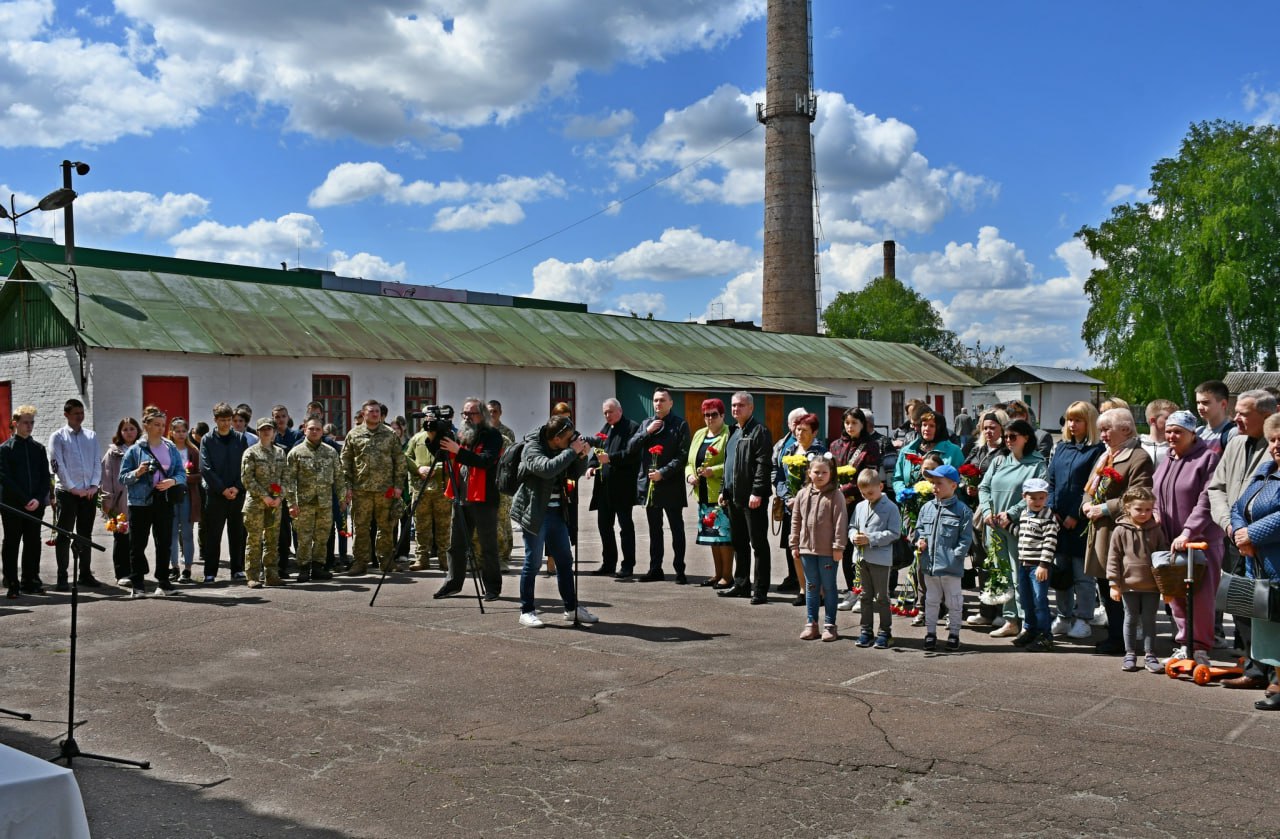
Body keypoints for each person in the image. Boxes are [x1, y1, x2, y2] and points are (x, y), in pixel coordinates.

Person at [1207, 390, 1278, 690]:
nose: (1236, 418)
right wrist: (1231, 527)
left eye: (1244, 413)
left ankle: (1273, 674)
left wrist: (1252, 533)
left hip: (1268, 546)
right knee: (1242, 605)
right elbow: (1217, 489)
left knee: (1271, 609)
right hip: (1234, 538)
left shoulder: (1272, 449)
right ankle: (1255, 669)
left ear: (1266, 415)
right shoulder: (1235, 442)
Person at [510, 415, 597, 627]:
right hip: (535, 513)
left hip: (558, 512)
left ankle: (571, 608)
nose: (570, 441)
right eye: (567, 438)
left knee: (565, 562)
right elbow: (547, 469)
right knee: (533, 563)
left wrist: (582, 457)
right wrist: (571, 452)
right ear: (556, 439)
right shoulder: (532, 448)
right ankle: (526, 610)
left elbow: (573, 474)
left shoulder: (563, 448)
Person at [1082, 407, 1155, 655]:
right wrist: (1086, 504)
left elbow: (1138, 496)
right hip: (1100, 529)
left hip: (1120, 533)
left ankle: (1123, 640)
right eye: (1101, 430)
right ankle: (1115, 635)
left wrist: (1103, 508)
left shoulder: (1138, 458)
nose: (1102, 435)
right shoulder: (1106, 456)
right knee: (1105, 584)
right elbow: (1091, 486)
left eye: (1106, 429)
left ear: (1125, 429)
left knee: (1118, 585)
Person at [1153, 410, 1223, 668]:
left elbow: (1206, 500)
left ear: (1192, 433)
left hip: (1200, 542)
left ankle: (1202, 648)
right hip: (1171, 540)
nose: (1171, 436)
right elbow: (1156, 495)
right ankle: (1185, 645)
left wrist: (1188, 532)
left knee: (1201, 597)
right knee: (1175, 594)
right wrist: (1155, 516)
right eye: (1169, 430)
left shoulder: (1208, 459)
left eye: (1178, 431)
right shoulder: (1167, 459)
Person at [976, 419, 1048, 640]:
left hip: (1019, 529)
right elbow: (984, 487)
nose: (1008, 441)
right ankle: (1010, 620)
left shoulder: (1037, 464)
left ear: (1026, 438)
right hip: (994, 526)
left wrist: (1011, 514)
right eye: (1006, 437)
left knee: (1020, 575)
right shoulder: (999, 461)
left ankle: (1028, 621)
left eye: (1013, 436)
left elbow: (1038, 493)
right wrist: (988, 511)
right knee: (1002, 572)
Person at [1229, 412, 1280, 710]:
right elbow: (1239, 505)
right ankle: (1275, 680)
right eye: (1272, 439)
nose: (1275, 445)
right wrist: (1240, 534)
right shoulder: (1265, 469)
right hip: (1259, 565)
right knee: (1268, 625)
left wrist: (1252, 535)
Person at [430, 397, 504, 600]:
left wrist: (458, 451)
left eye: (471, 413)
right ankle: (453, 584)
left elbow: (485, 461)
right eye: (464, 413)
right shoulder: (462, 435)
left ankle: (492, 588)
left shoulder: (493, 436)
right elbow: (441, 454)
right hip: (461, 496)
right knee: (456, 545)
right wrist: (432, 436)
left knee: (487, 545)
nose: (466, 417)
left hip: (484, 498)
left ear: (483, 415)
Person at [1046, 401, 1104, 640]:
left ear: (1088, 423)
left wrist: (1074, 514)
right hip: (1057, 521)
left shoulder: (1096, 451)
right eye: (1070, 419)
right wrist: (1052, 508)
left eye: (1078, 420)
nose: (1072, 424)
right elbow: (1051, 481)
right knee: (1061, 572)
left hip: (1081, 522)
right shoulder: (1061, 448)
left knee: (1082, 574)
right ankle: (1063, 615)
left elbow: (1092, 486)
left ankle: (1083, 618)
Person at [119, 406, 186, 597]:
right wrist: (137, 473)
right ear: (146, 426)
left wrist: (172, 481)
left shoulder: (170, 447)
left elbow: (181, 473)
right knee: (137, 544)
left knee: (164, 542)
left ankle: (163, 582)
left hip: (164, 500)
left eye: (163, 425)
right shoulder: (135, 450)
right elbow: (122, 478)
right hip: (140, 502)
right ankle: (138, 584)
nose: (161, 428)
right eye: (156, 425)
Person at [717, 392, 774, 605]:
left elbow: (763, 464)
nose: (735, 409)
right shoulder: (733, 432)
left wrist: (757, 492)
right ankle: (741, 584)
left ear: (751, 408)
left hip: (752, 499)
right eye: (733, 405)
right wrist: (724, 490)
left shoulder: (759, 432)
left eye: (740, 405)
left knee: (758, 544)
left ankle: (760, 589)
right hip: (734, 498)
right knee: (739, 543)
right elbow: (728, 465)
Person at [1106, 486, 1168, 673]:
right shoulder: (1119, 530)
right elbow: (1113, 557)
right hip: (1128, 585)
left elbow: (1163, 559)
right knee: (1130, 619)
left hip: (1151, 586)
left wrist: (1166, 588)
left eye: (1148, 509)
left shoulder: (1156, 530)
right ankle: (1130, 654)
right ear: (1127, 508)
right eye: (1138, 509)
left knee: (1150, 620)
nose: (1143, 513)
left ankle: (1150, 655)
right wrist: (1113, 583)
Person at [631, 388, 691, 583]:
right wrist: (647, 433)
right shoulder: (646, 424)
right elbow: (632, 447)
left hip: (671, 484)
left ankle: (679, 569)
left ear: (671, 403)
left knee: (676, 529)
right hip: (651, 487)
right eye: (656, 401)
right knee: (654, 529)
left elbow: (682, 456)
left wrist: (662, 473)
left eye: (662, 400)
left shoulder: (680, 425)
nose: (658, 404)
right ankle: (655, 568)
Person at [913, 465, 974, 651]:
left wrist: (955, 556)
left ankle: (954, 633)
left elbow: (965, 540)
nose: (934, 487)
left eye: (939, 483)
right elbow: (919, 529)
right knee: (931, 600)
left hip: (950, 567)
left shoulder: (963, 511)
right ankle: (930, 633)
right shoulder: (926, 508)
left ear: (954, 485)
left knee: (954, 601)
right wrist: (920, 540)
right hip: (929, 565)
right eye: (933, 483)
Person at [342, 400, 406, 577]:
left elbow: (399, 462)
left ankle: (386, 562)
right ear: (363, 414)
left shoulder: (389, 434)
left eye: (377, 411)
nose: (375, 414)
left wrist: (398, 486)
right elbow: (345, 462)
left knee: (386, 527)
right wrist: (347, 487)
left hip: (385, 490)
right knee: (361, 527)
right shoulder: (353, 434)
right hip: (361, 490)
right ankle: (360, 562)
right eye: (371, 411)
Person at [789, 456, 848, 642]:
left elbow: (840, 522)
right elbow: (796, 520)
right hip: (807, 549)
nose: (820, 475)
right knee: (811, 586)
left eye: (824, 472)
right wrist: (794, 543)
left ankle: (830, 625)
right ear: (809, 472)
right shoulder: (802, 494)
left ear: (831, 474)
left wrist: (838, 546)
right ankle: (811, 624)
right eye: (816, 472)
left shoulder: (836, 495)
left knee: (829, 587)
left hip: (828, 551)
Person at [962, 409, 1010, 628]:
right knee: (981, 562)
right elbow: (964, 470)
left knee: (998, 561)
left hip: (995, 512)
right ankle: (985, 610)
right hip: (976, 512)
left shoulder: (1005, 452)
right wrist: (968, 485)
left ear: (1002, 428)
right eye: (985, 427)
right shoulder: (977, 449)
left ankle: (1002, 610)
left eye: (993, 427)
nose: (988, 431)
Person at [48, 398, 102, 589]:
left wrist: (94, 485)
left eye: (81, 413)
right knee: (63, 534)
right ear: (66, 415)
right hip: (67, 493)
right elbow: (57, 465)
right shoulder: (58, 436)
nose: (79, 417)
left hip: (89, 493)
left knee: (84, 534)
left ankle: (85, 574)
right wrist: (73, 488)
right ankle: (62, 576)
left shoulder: (91, 436)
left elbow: (97, 461)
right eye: (75, 413)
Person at [829, 408, 881, 608]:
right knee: (845, 547)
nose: (850, 427)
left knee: (861, 547)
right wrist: (836, 492)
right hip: (839, 504)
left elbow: (870, 475)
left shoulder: (870, 446)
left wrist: (847, 492)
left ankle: (865, 591)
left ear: (863, 424)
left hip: (861, 503)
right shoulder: (835, 445)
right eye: (847, 423)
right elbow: (830, 473)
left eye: (854, 423)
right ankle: (852, 590)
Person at [0, 406, 51, 597]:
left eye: (32, 422)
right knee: (12, 542)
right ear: (15, 424)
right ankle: (12, 582)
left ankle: (31, 580)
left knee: (33, 542)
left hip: (35, 506)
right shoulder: (5, 449)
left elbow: (45, 477)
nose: (29, 426)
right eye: (25, 422)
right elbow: (5, 477)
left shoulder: (38, 448)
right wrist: (25, 499)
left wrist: (37, 499)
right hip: (13, 505)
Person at [286, 417, 345, 583]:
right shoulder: (296, 452)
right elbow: (289, 481)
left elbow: (339, 477)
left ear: (322, 431)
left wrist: (342, 498)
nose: (314, 432)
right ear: (305, 429)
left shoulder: (330, 452)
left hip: (325, 503)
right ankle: (304, 568)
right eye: (311, 429)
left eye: (317, 429)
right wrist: (291, 503)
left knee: (322, 536)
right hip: (304, 503)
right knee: (304, 537)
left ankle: (318, 567)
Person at [776, 413, 827, 602]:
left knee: (815, 550)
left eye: (804, 430)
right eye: (797, 429)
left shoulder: (821, 452)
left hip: (814, 509)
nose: (799, 433)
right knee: (795, 548)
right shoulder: (789, 451)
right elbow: (780, 477)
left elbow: (825, 478)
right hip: (792, 509)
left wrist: (806, 497)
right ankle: (804, 589)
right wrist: (787, 497)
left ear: (814, 432)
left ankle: (819, 591)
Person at [589, 398, 642, 578]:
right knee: (604, 526)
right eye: (605, 412)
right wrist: (591, 465)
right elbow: (597, 450)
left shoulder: (631, 428)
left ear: (619, 411)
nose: (607, 415)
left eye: (610, 412)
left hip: (622, 487)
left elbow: (632, 454)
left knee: (625, 527)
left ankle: (627, 565)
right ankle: (608, 563)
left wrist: (610, 458)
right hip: (604, 488)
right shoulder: (605, 429)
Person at [849, 468, 901, 649]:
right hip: (862, 558)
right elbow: (852, 526)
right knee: (864, 596)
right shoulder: (860, 506)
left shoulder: (891, 507)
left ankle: (885, 632)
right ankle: (866, 630)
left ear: (880, 486)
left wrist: (870, 539)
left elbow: (894, 533)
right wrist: (853, 536)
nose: (867, 497)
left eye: (870, 492)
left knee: (881, 597)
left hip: (880, 559)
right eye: (863, 494)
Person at [200, 402, 250, 584]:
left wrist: (237, 487)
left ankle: (237, 569)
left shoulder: (240, 438)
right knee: (213, 534)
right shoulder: (207, 439)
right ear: (215, 420)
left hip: (237, 493)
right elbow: (206, 467)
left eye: (229, 420)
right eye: (222, 420)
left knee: (237, 533)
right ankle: (210, 572)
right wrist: (222, 489)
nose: (226, 424)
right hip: (216, 494)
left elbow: (245, 466)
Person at [686, 399, 732, 587]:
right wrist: (690, 476)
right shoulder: (699, 434)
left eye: (714, 414)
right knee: (712, 537)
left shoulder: (729, 434)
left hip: (720, 494)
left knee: (724, 537)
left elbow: (732, 463)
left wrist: (714, 471)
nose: (710, 418)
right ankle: (717, 573)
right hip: (703, 493)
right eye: (706, 415)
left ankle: (727, 576)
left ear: (722, 415)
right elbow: (689, 462)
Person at [1011, 477, 1059, 651]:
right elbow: (1021, 534)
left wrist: (1044, 564)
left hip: (1038, 566)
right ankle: (1030, 630)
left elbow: (1050, 541)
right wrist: (1008, 525)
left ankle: (1045, 636)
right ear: (1025, 497)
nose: (1038, 502)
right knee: (1026, 599)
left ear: (1046, 497)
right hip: (1024, 564)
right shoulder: (1025, 514)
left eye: (1041, 497)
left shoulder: (1048, 517)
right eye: (1033, 498)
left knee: (1040, 601)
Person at [242, 417, 288, 588]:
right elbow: (247, 479)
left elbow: (286, 477)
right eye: (263, 429)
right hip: (256, 503)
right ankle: (253, 576)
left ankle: (271, 575)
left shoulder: (280, 453)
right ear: (258, 432)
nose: (266, 432)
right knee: (254, 540)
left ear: (274, 432)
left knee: (272, 540)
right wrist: (264, 496)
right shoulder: (251, 452)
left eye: (269, 429)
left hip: (275, 503)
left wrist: (279, 497)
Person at [405, 417, 452, 573]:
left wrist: (435, 469)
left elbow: (452, 459)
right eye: (427, 421)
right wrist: (418, 469)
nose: (429, 424)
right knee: (421, 525)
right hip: (421, 489)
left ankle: (445, 558)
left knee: (444, 525)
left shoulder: (446, 438)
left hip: (442, 489)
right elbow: (407, 457)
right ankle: (421, 558)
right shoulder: (417, 439)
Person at [99, 418, 140, 587]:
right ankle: (121, 573)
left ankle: (135, 571)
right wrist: (107, 500)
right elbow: (106, 478)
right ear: (120, 432)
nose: (129, 432)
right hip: (120, 501)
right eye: (125, 429)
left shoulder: (142, 449)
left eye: (132, 428)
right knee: (121, 538)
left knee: (137, 540)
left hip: (139, 501)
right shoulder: (113, 453)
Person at [892, 409, 964, 498]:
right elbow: (897, 478)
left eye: (932, 426)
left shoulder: (953, 451)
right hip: (911, 506)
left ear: (939, 428)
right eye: (924, 425)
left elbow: (960, 481)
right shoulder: (907, 450)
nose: (926, 429)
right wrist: (904, 493)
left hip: (942, 505)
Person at [167, 418, 202, 583]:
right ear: (172, 432)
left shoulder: (193, 451)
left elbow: (200, 475)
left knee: (187, 533)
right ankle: (174, 566)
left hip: (187, 495)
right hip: (170, 496)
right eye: (177, 431)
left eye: (183, 431)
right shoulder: (166, 449)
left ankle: (187, 568)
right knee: (171, 533)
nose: (181, 434)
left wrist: (186, 478)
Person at [271, 404, 303, 576]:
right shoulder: (271, 439)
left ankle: (300, 560)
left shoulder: (297, 436)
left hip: (296, 488)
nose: (280, 420)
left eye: (283, 416)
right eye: (277, 417)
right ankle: (282, 563)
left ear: (288, 417)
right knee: (282, 530)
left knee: (298, 527)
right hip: (278, 490)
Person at [486, 400, 516, 571]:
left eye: (495, 411)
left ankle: (504, 555)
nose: (492, 414)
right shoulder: (481, 432)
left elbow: (511, 457)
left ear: (500, 412)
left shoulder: (507, 433)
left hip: (502, 481)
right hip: (486, 481)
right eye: (490, 411)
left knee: (503, 519)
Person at [1195, 379, 1237, 456]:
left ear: (1223, 404)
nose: (1200, 407)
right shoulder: (1198, 432)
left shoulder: (1232, 434)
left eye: (1205, 402)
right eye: (1198, 403)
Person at [1140, 399, 1177, 467]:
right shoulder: (1139, 445)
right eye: (1168, 418)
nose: (1174, 422)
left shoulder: (1177, 447)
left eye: (1175, 418)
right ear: (1153, 421)